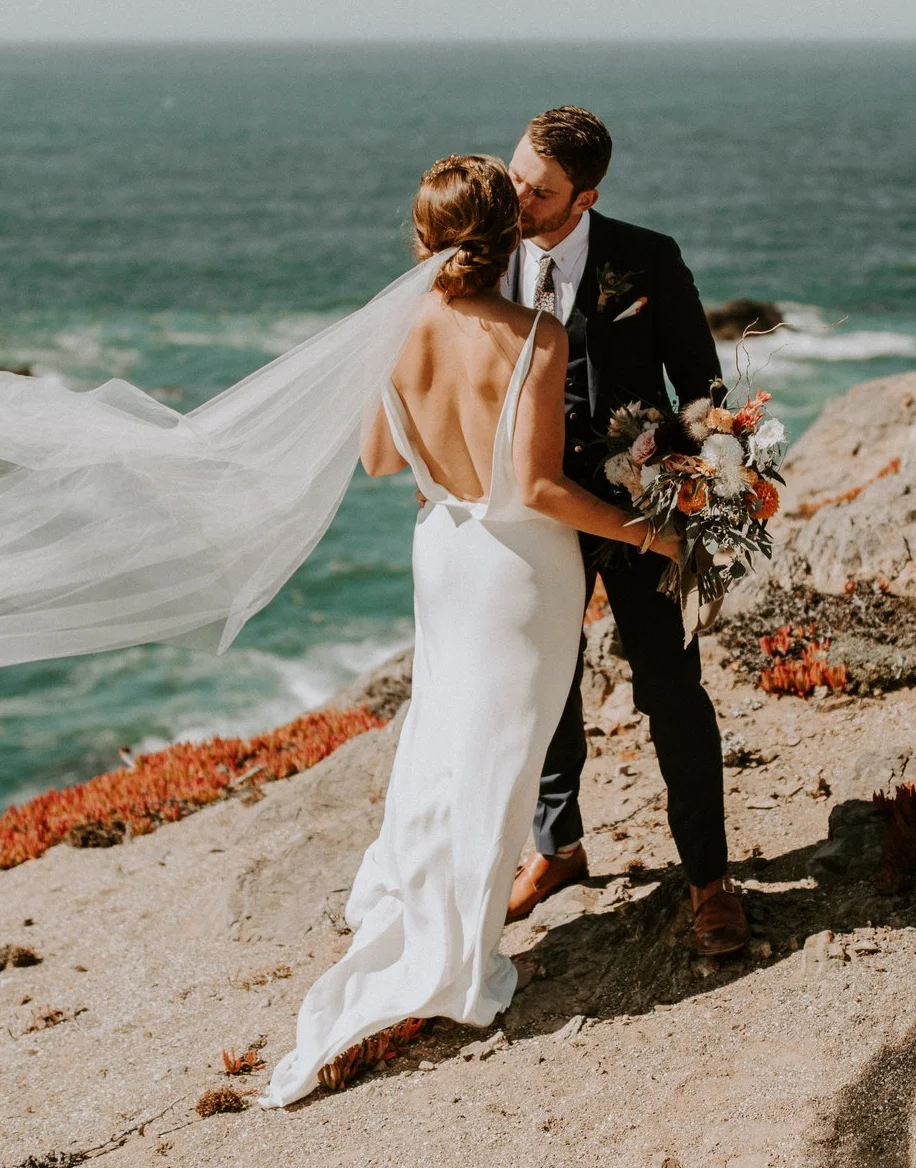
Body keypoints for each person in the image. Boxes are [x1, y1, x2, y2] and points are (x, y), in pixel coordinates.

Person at [260, 154, 678, 1106]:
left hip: (441, 551)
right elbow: (534, 487)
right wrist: (656, 532)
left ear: (423, 240)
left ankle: (428, 909)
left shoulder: (399, 330)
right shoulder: (536, 334)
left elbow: (377, 458)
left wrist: (438, 446)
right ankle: (457, 960)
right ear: (509, 237)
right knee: (499, 755)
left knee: (443, 739)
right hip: (514, 566)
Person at [497, 107, 748, 958]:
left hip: (640, 516)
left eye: (538, 192)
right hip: (535, 511)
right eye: (514, 175)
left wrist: (679, 459)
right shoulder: (481, 253)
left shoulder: (647, 257)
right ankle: (557, 848)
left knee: (671, 692)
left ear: (586, 195)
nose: (516, 198)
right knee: (544, 682)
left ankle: (710, 880)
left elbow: (701, 385)